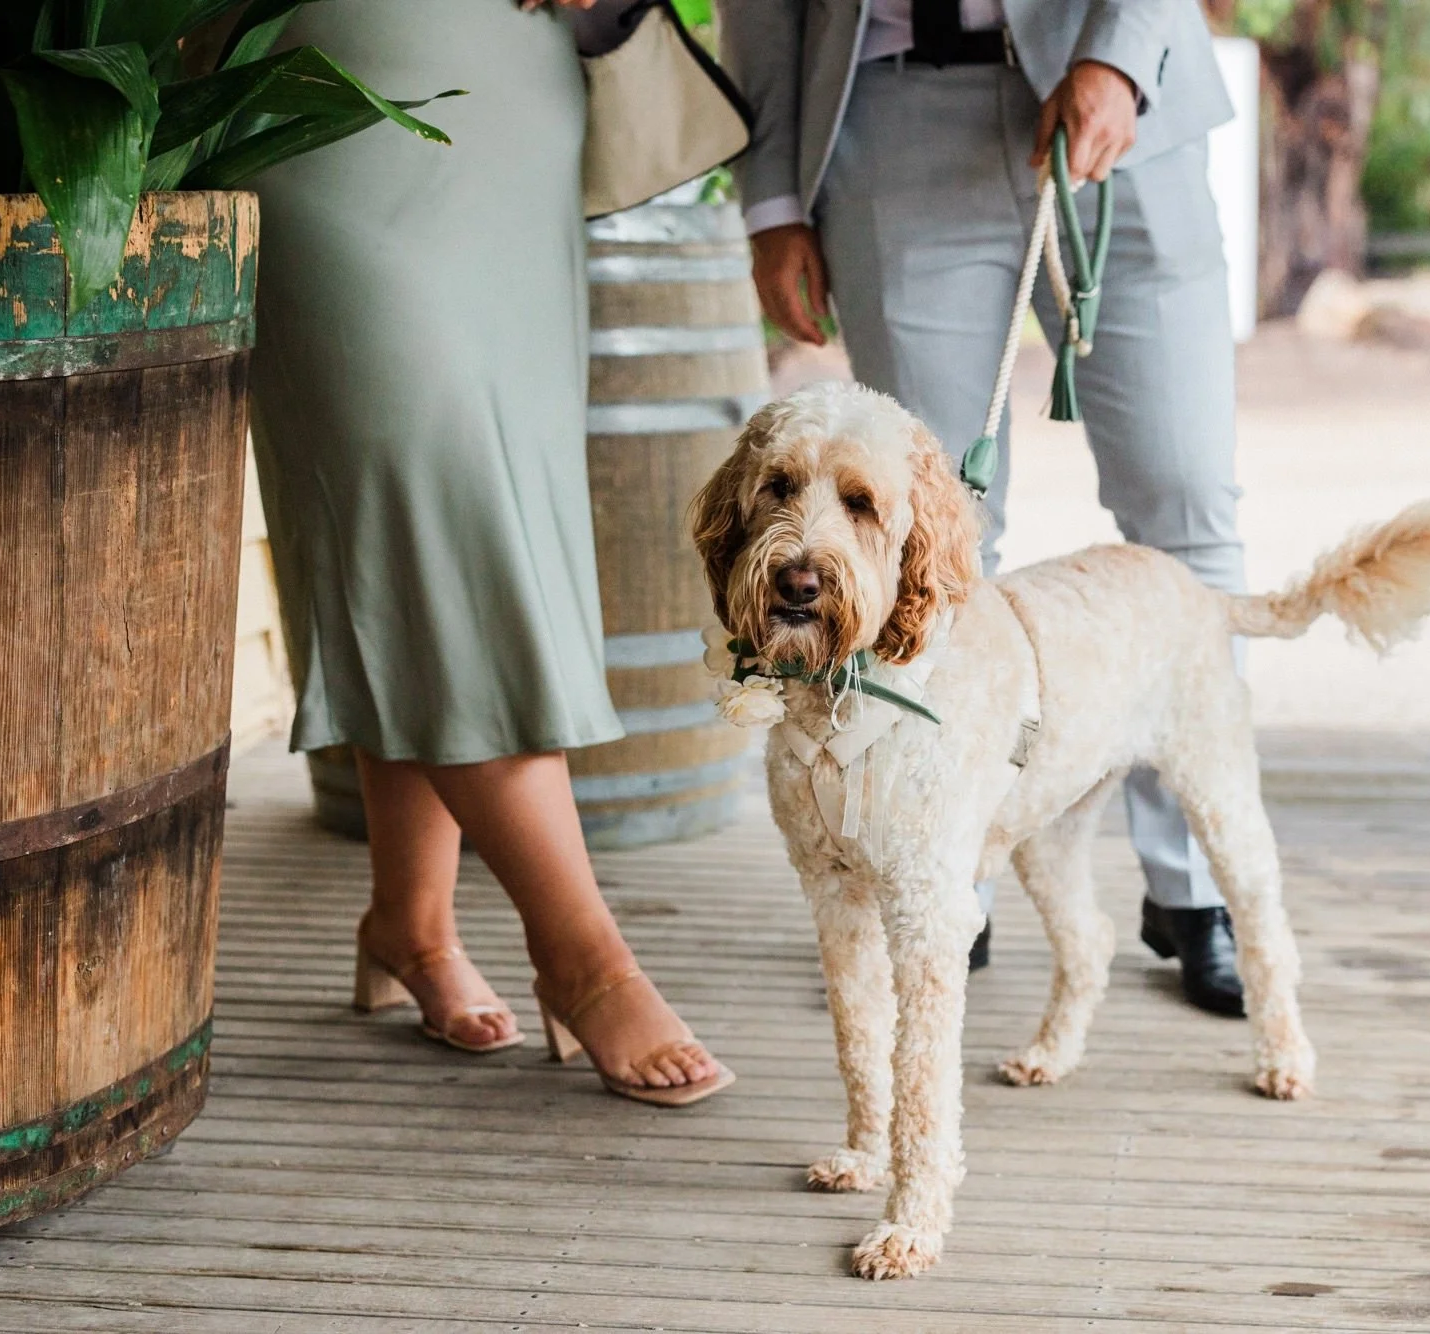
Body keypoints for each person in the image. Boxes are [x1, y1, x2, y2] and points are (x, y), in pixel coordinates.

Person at [720, 0, 1251, 1017]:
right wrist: (772, 199)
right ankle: (942, 869)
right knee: (928, 528)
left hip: (1127, 100)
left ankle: (1195, 887)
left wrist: (1120, 58)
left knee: (1186, 504)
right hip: (891, 112)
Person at [249, 0, 733, 1105]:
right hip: (314, 69)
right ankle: (584, 955)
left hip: (508, 87)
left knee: (464, 510)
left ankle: (410, 925)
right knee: (419, 473)